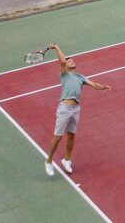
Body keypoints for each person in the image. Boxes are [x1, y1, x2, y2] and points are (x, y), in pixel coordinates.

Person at [43, 43, 110, 177]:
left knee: (71, 135)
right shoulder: (64, 74)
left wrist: (102, 87)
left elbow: (93, 84)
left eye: (72, 60)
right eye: (69, 61)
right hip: (64, 109)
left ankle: (67, 159)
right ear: (66, 66)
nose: (71, 61)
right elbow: (62, 61)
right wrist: (56, 47)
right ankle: (49, 161)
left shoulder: (80, 77)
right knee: (58, 137)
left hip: (75, 109)